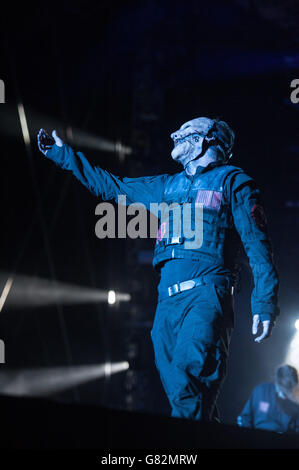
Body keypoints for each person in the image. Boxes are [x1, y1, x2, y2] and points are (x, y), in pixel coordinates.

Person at [37, 116, 279, 421]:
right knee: (190, 396)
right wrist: (64, 156)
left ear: (210, 138)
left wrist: (265, 303)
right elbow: (113, 187)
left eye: (188, 131)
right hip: (167, 304)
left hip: (206, 296)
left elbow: (258, 247)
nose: (176, 134)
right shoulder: (168, 185)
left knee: (186, 381)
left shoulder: (233, 182)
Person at [237, 365, 299, 433]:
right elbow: (244, 417)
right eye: (285, 388)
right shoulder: (260, 390)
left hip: (282, 440)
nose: (287, 393)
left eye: (289, 389)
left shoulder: (294, 402)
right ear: (278, 382)